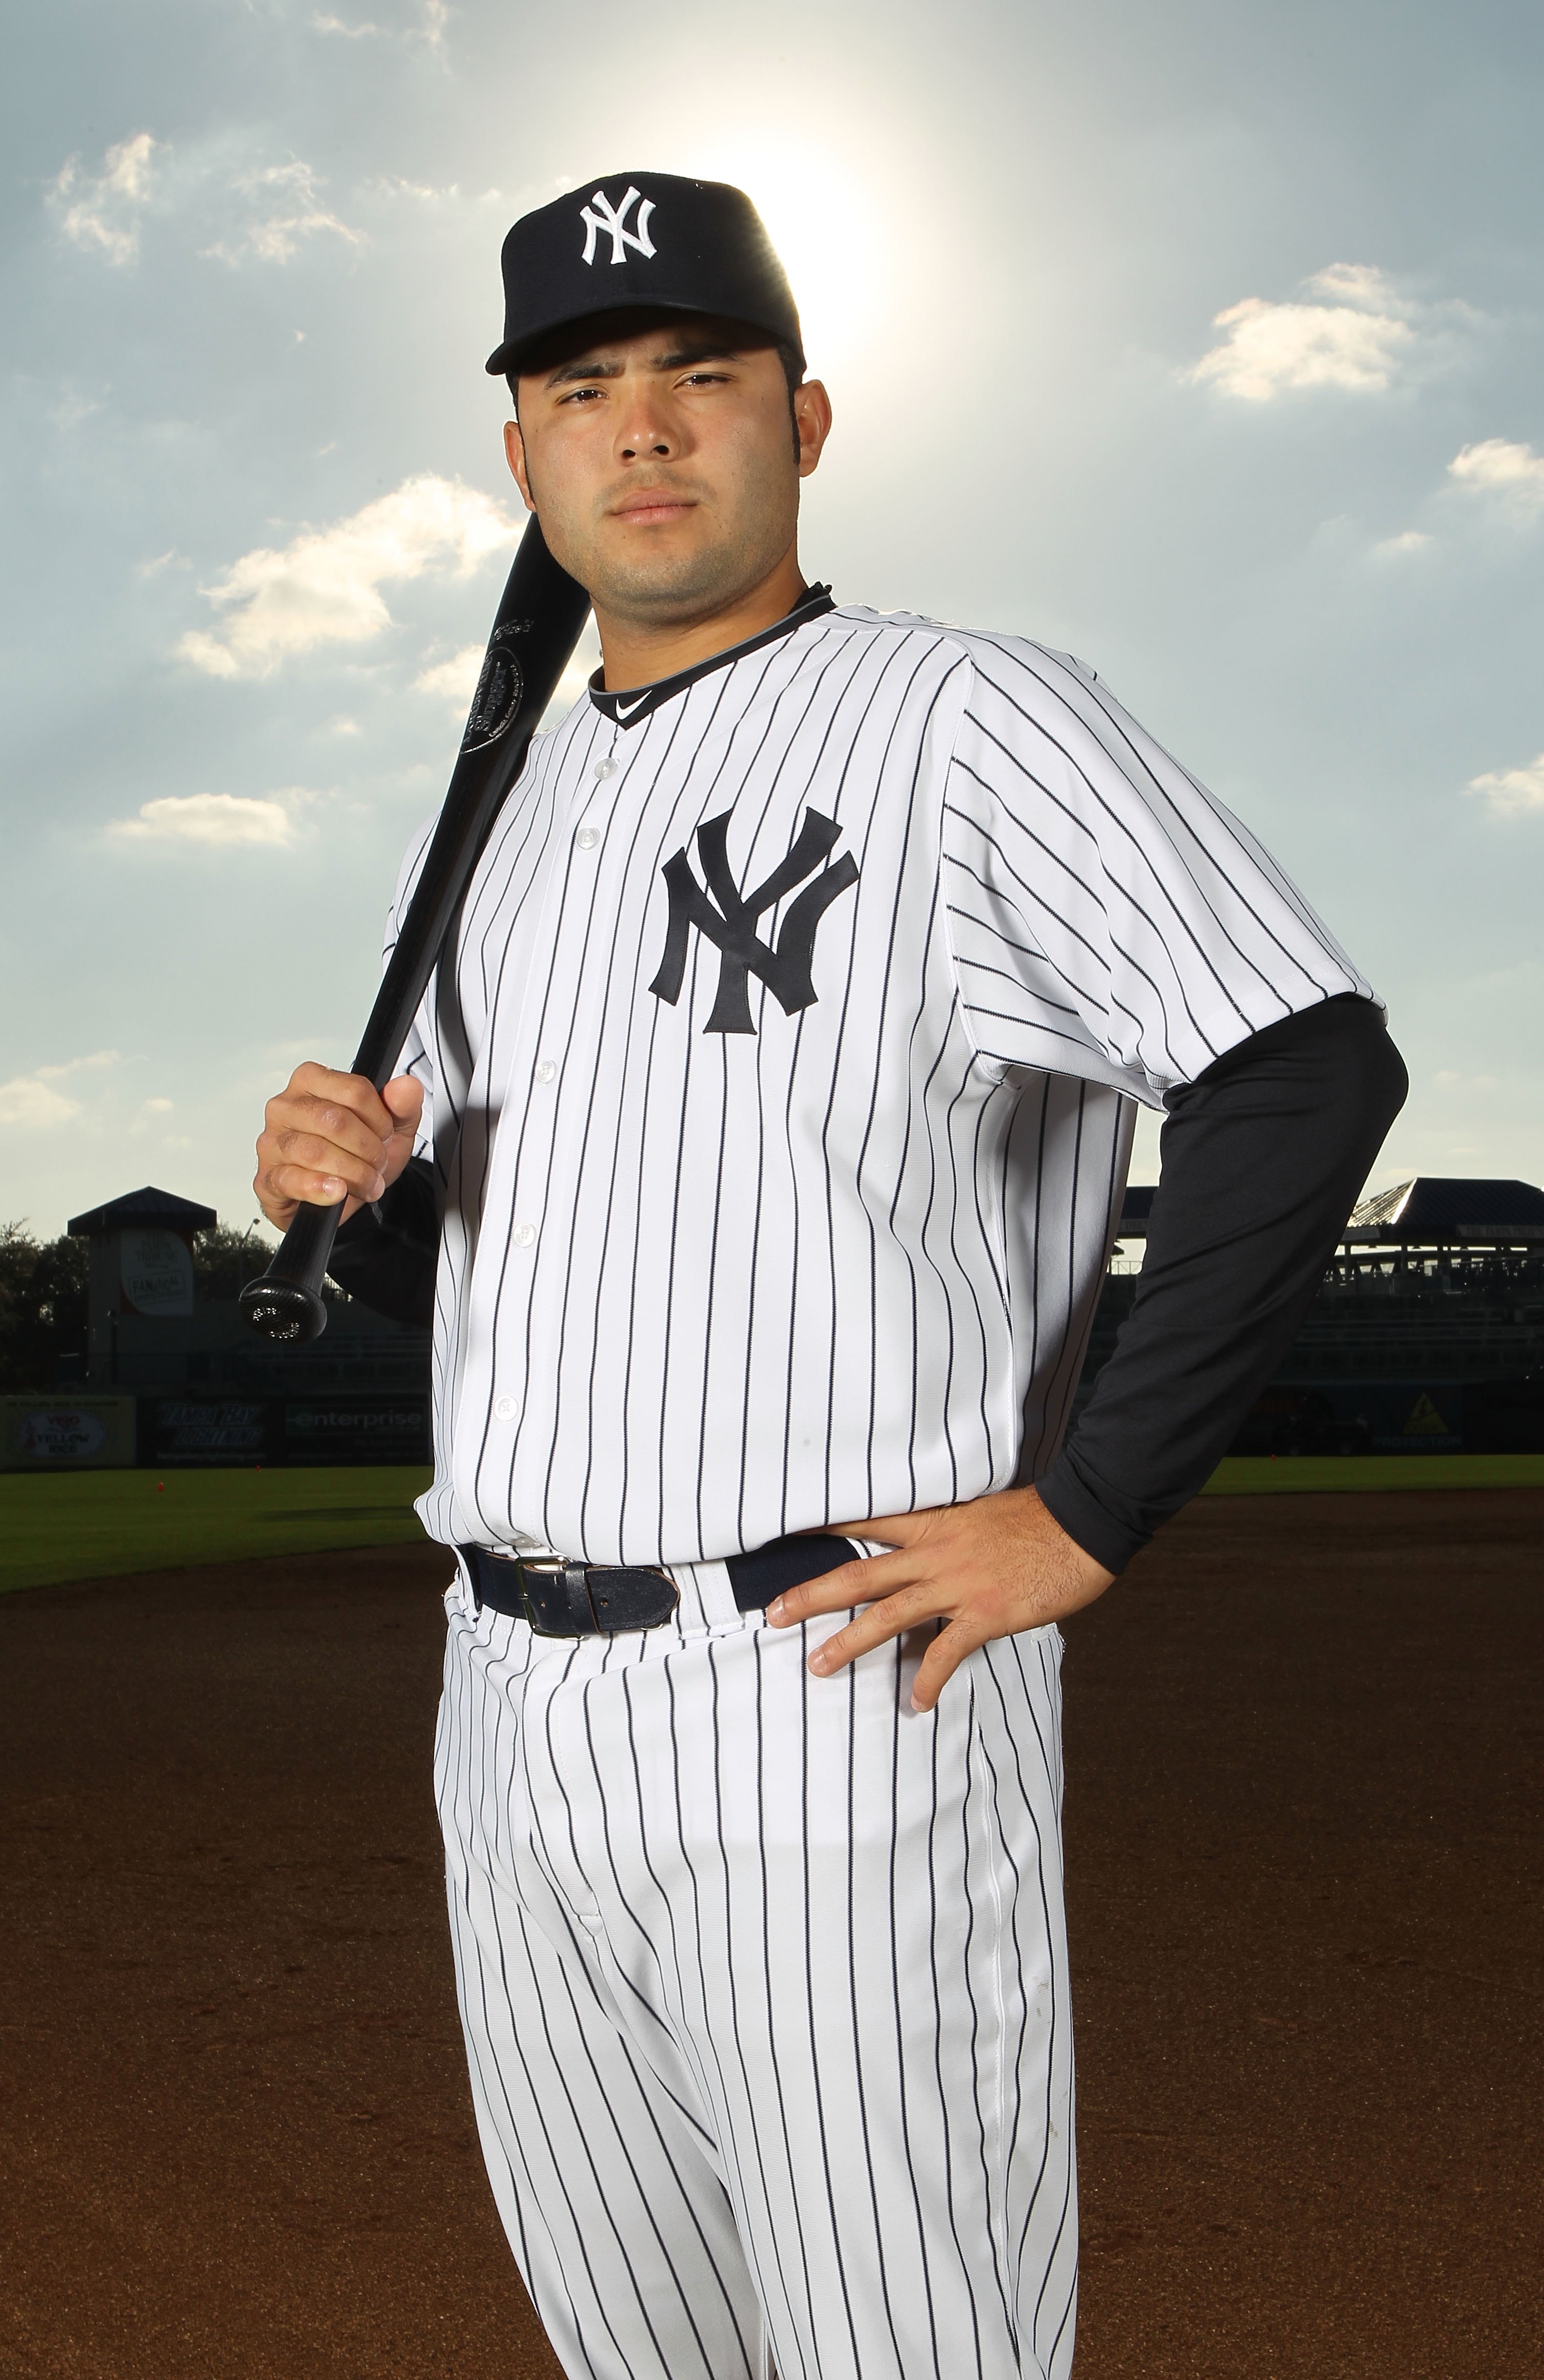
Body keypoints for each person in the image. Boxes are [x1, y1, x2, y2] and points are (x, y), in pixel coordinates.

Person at [253, 170, 1405, 2380]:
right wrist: (365, 1193)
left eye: (705, 375)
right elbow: (528, 1264)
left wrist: (1088, 1512)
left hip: (825, 1682)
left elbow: (1303, 1065)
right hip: (511, 1711)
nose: (647, 427)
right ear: (524, 458)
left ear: (809, 419)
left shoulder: (962, 716)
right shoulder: (498, 799)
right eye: (584, 388)